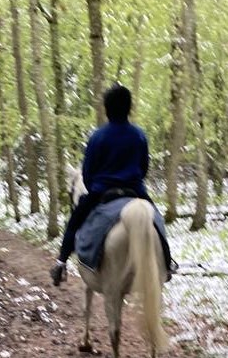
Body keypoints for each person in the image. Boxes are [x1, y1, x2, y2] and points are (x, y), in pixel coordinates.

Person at [50, 83, 176, 285]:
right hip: (135, 191)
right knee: (156, 220)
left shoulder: (98, 137)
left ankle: (61, 262)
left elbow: (88, 173)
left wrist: (94, 187)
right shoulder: (139, 135)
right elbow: (144, 167)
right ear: (129, 108)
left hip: (102, 192)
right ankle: (167, 264)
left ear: (107, 109)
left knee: (74, 221)